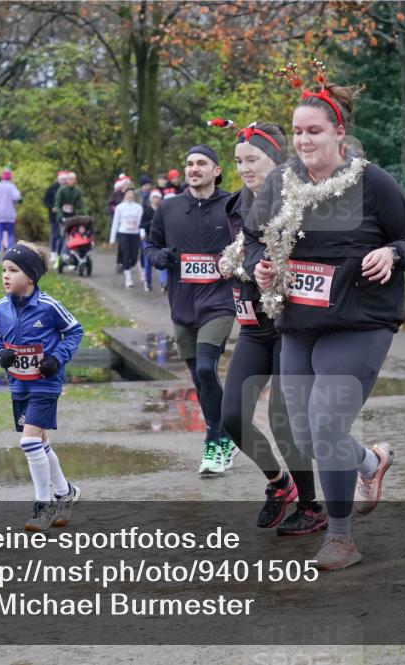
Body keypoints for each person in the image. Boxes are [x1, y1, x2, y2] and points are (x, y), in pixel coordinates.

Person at [244, 62, 405, 569]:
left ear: (338, 132)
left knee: (326, 427)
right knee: (302, 435)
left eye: (314, 131)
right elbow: (250, 240)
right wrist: (259, 267)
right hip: (300, 323)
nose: (303, 141)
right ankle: (371, 462)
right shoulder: (281, 182)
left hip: (361, 320)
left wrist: (392, 254)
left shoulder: (371, 181)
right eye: (298, 131)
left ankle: (342, 537)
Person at [213, 118, 324, 535]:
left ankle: (313, 506)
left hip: (291, 324)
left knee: (284, 418)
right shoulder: (235, 206)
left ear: (276, 159)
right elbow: (233, 255)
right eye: (239, 160)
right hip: (253, 325)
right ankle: (280, 485)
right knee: (231, 415)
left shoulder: (299, 197)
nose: (244, 168)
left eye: (253, 159)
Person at [144, 146, 238, 474]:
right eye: (189, 164)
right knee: (199, 378)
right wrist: (158, 257)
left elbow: (250, 243)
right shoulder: (168, 208)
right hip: (182, 305)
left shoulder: (233, 205)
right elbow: (151, 245)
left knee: (206, 370)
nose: (194, 168)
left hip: (220, 302)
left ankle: (214, 439)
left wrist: (235, 261)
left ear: (217, 170)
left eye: (201, 163)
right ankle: (225, 434)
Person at [0, 242, 84, 531]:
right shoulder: (0, 308)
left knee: (29, 443)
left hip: (46, 383)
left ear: (30, 276)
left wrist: (57, 358)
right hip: (18, 385)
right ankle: (66, 492)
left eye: (13, 270)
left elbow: (75, 331)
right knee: (39, 443)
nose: (5, 275)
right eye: (3, 269)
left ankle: (44, 505)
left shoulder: (49, 307)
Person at [109, 187, 143, 288]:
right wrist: (112, 239)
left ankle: (129, 266)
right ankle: (128, 279)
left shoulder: (138, 207)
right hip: (123, 233)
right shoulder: (120, 207)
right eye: (128, 193)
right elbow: (115, 222)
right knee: (126, 255)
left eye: (132, 193)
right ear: (125, 195)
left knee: (133, 257)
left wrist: (141, 233)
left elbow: (140, 222)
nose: (130, 195)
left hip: (135, 234)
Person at [0, 168, 22, 264]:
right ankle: (10, 257)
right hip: (9, 215)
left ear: (1, 177)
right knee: (10, 235)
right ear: (10, 177)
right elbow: (17, 197)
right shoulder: (12, 187)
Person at [53, 172, 86, 269]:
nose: (72, 181)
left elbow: (81, 204)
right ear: (67, 180)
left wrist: (82, 214)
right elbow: (57, 204)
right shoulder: (61, 190)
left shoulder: (78, 191)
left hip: (73, 218)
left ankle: (72, 259)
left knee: (74, 237)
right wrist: (60, 215)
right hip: (62, 218)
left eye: (74, 179)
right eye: (70, 179)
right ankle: (59, 258)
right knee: (62, 238)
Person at [140, 189, 166, 292]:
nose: (156, 199)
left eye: (158, 197)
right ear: (151, 199)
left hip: (160, 240)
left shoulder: (162, 211)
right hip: (148, 239)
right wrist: (142, 234)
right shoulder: (147, 211)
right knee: (148, 262)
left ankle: (164, 283)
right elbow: (141, 225)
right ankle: (148, 282)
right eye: (154, 197)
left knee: (162, 259)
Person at [44, 171, 65, 265]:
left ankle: (61, 253)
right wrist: (51, 207)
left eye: (65, 179)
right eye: (62, 179)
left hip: (65, 215)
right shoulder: (51, 188)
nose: (63, 181)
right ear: (58, 179)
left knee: (63, 235)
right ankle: (53, 252)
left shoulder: (67, 189)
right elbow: (45, 200)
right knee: (54, 234)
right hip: (53, 216)